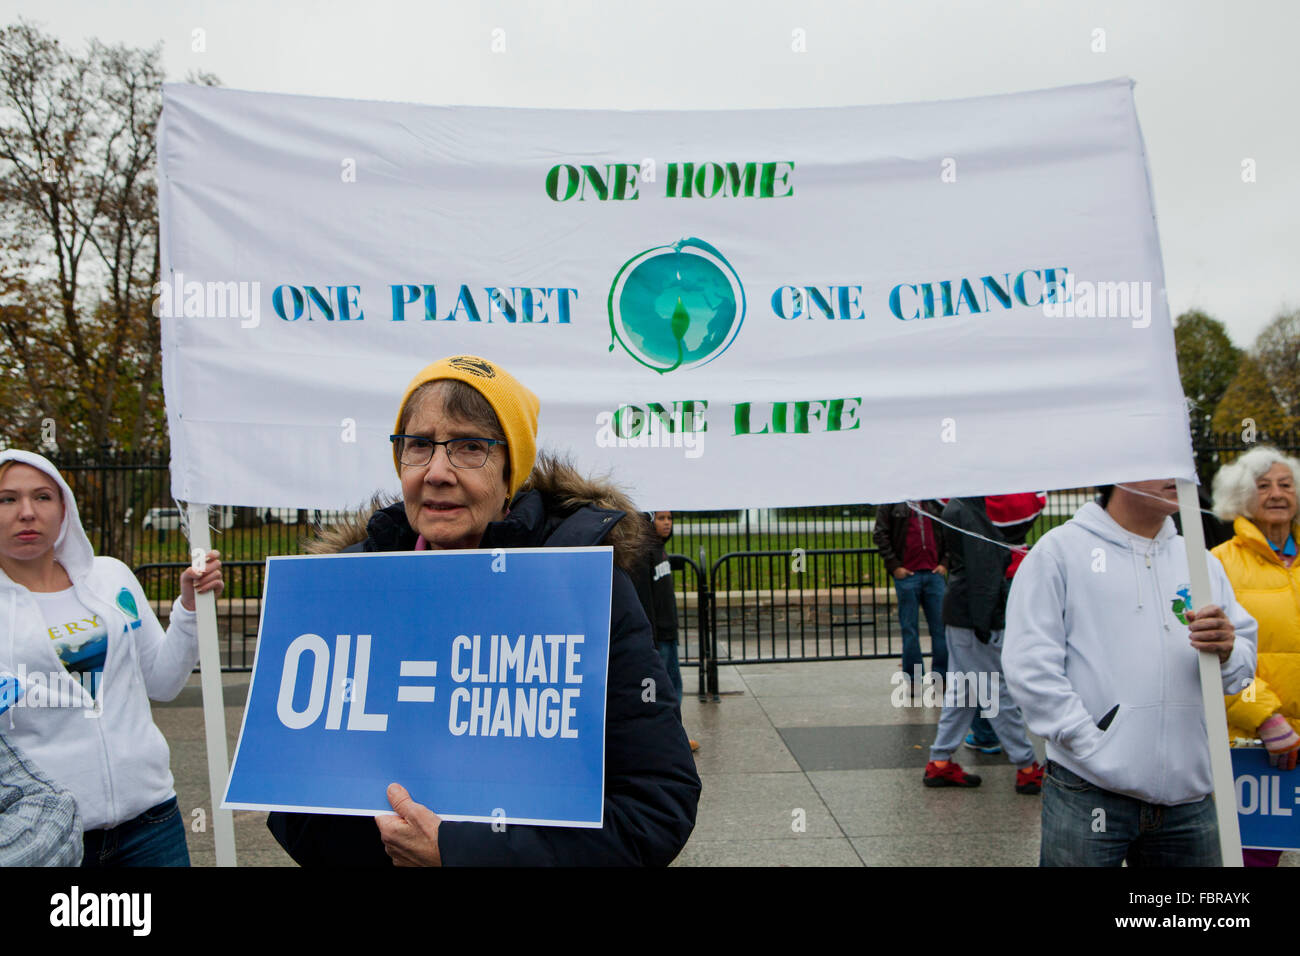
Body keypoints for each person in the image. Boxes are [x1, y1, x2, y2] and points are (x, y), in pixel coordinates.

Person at [267, 355, 701, 866]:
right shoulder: (348, 590)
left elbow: (655, 809)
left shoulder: (582, 587)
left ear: (509, 473)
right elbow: (290, 803)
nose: (437, 472)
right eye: (419, 445)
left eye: (470, 447)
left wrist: (459, 852)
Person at [1004, 480, 1258, 866]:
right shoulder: (1059, 551)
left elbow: (1241, 668)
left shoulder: (1199, 560)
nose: (1176, 475)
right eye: (1158, 461)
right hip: (1088, 791)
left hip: (1190, 798)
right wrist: (1089, 743)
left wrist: (1227, 651)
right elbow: (1030, 664)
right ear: (1118, 473)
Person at [0, 450, 223, 867]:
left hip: (152, 823)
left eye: (43, 496)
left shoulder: (111, 577)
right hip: (46, 838)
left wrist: (189, 609)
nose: (26, 512)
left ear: (64, 507)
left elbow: (163, 682)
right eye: (7, 499)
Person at [1210, 447, 1300, 867]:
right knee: (1251, 861)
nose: (1277, 493)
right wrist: (1265, 717)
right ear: (1241, 497)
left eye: (1286, 484)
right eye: (1264, 486)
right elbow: (1210, 656)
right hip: (1251, 745)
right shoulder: (1218, 564)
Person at [923, 496, 1043, 794]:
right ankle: (1027, 767)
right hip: (974, 611)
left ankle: (940, 760)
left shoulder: (959, 505)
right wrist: (984, 617)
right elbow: (984, 566)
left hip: (963, 608)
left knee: (964, 691)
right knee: (994, 689)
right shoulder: (969, 507)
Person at [874, 500, 948, 688]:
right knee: (910, 630)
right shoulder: (892, 501)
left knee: (941, 629)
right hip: (907, 575)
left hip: (934, 573)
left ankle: (943, 676)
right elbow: (880, 534)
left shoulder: (935, 500)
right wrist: (895, 566)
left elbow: (950, 531)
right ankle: (914, 678)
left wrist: (945, 563)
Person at [643, 510, 699, 753]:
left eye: (670, 518)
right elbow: (647, 600)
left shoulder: (660, 549)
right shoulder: (645, 553)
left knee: (673, 686)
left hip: (669, 632)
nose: (667, 523)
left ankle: (674, 736)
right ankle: (669, 740)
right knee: (664, 689)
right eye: (661, 518)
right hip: (659, 636)